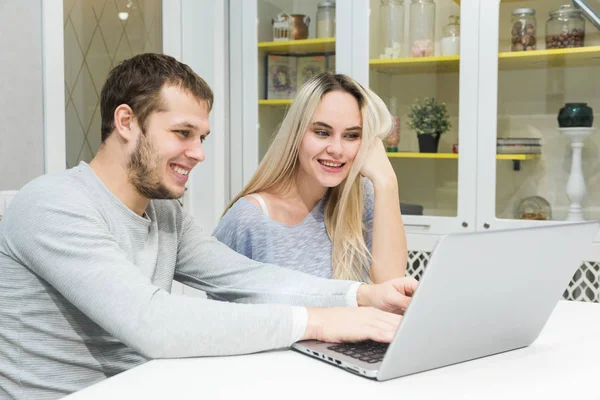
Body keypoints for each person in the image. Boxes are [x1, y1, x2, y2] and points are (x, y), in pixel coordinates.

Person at [0, 53, 418, 400]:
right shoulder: (52, 204)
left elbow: (246, 277)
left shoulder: (166, 214)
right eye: (183, 133)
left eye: (202, 137)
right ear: (126, 122)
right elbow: (153, 323)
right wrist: (321, 321)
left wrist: (360, 294)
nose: (198, 153)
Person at [214, 73, 407, 283]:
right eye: (322, 132)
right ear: (296, 134)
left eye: (351, 136)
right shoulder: (249, 218)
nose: (336, 149)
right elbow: (221, 310)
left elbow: (391, 285)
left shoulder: (362, 198)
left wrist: (387, 182)